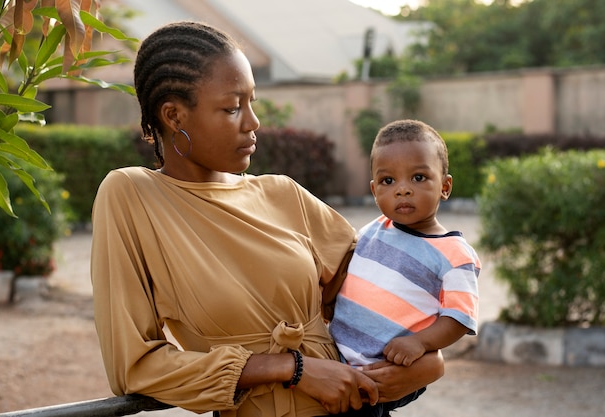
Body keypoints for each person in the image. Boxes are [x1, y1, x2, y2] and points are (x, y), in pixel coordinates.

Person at [90, 22, 444, 417]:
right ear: (174, 115)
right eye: (232, 107)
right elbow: (134, 369)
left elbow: (387, 292)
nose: (253, 121)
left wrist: (429, 358)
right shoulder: (133, 196)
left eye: (252, 102)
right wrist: (290, 369)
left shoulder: (282, 193)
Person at [329, 119, 481, 417]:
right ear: (374, 190)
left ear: (445, 186)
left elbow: (460, 317)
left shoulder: (454, 254)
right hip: (336, 357)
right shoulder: (374, 228)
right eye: (388, 181)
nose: (402, 190)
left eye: (419, 177)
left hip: (385, 370)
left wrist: (419, 342)